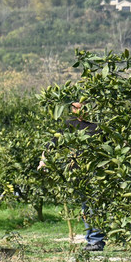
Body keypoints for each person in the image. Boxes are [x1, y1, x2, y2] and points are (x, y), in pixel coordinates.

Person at [37, 101, 106, 252]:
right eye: (75, 108)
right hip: (78, 173)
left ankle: (96, 240)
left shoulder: (97, 125)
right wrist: (44, 160)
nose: (78, 111)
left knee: (94, 205)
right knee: (86, 207)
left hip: (96, 171)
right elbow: (54, 143)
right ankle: (92, 239)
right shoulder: (70, 124)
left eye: (81, 107)